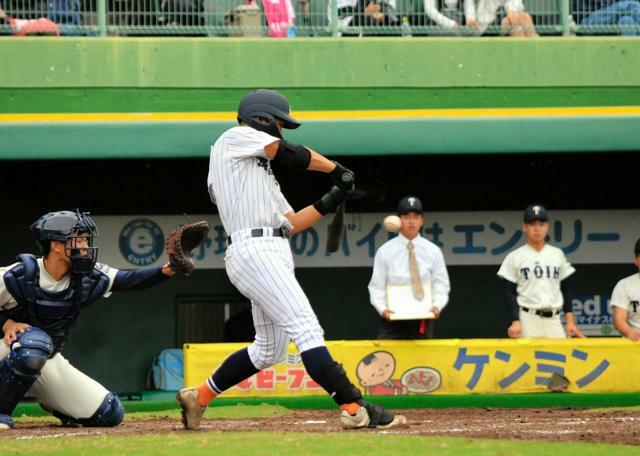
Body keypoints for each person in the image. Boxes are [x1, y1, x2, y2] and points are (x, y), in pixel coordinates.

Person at [176, 89, 406, 431]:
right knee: (307, 329)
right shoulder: (233, 138)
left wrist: (334, 196)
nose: (282, 132)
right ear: (262, 119)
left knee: (269, 350)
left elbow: (292, 223)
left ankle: (200, 397)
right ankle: (356, 408)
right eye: (280, 124)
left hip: (271, 250)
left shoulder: (258, 172)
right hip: (255, 251)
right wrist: (336, 168)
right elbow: (287, 152)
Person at [0, 210, 178, 430]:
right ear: (56, 245)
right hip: (8, 349)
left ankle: (56, 404)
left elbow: (128, 279)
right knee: (33, 345)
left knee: (109, 413)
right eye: (80, 239)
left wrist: (169, 269)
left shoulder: (86, 276)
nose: (85, 245)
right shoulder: (19, 274)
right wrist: (6, 323)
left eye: (85, 239)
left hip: (45, 358)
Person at [368, 196, 450, 339]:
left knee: (423, 360)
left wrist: (437, 305)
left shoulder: (433, 250)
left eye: (416, 216)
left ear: (422, 220)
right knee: (389, 359)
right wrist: (383, 309)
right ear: (399, 220)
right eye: (406, 216)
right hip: (393, 318)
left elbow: (441, 283)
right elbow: (376, 286)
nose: (411, 221)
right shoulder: (385, 251)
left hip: (423, 316)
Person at [497, 204, 585, 339]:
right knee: (526, 359)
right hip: (528, 319)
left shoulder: (557, 254)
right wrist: (516, 320)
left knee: (561, 357)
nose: (537, 228)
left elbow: (566, 289)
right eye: (532, 224)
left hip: (554, 319)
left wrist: (570, 321)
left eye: (541, 224)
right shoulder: (515, 256)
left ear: (547, 227)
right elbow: (509, 292)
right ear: (525, 227)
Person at [611, 238, 640, 340]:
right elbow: (619, 319)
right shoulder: (624, 285)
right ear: (636, 260)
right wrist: (629, 332)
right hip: (634, 343)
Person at [572, 0, 640, 36]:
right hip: (586, 23)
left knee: (626, 21)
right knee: (631, 6)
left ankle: (626, 60)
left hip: (611, 20)